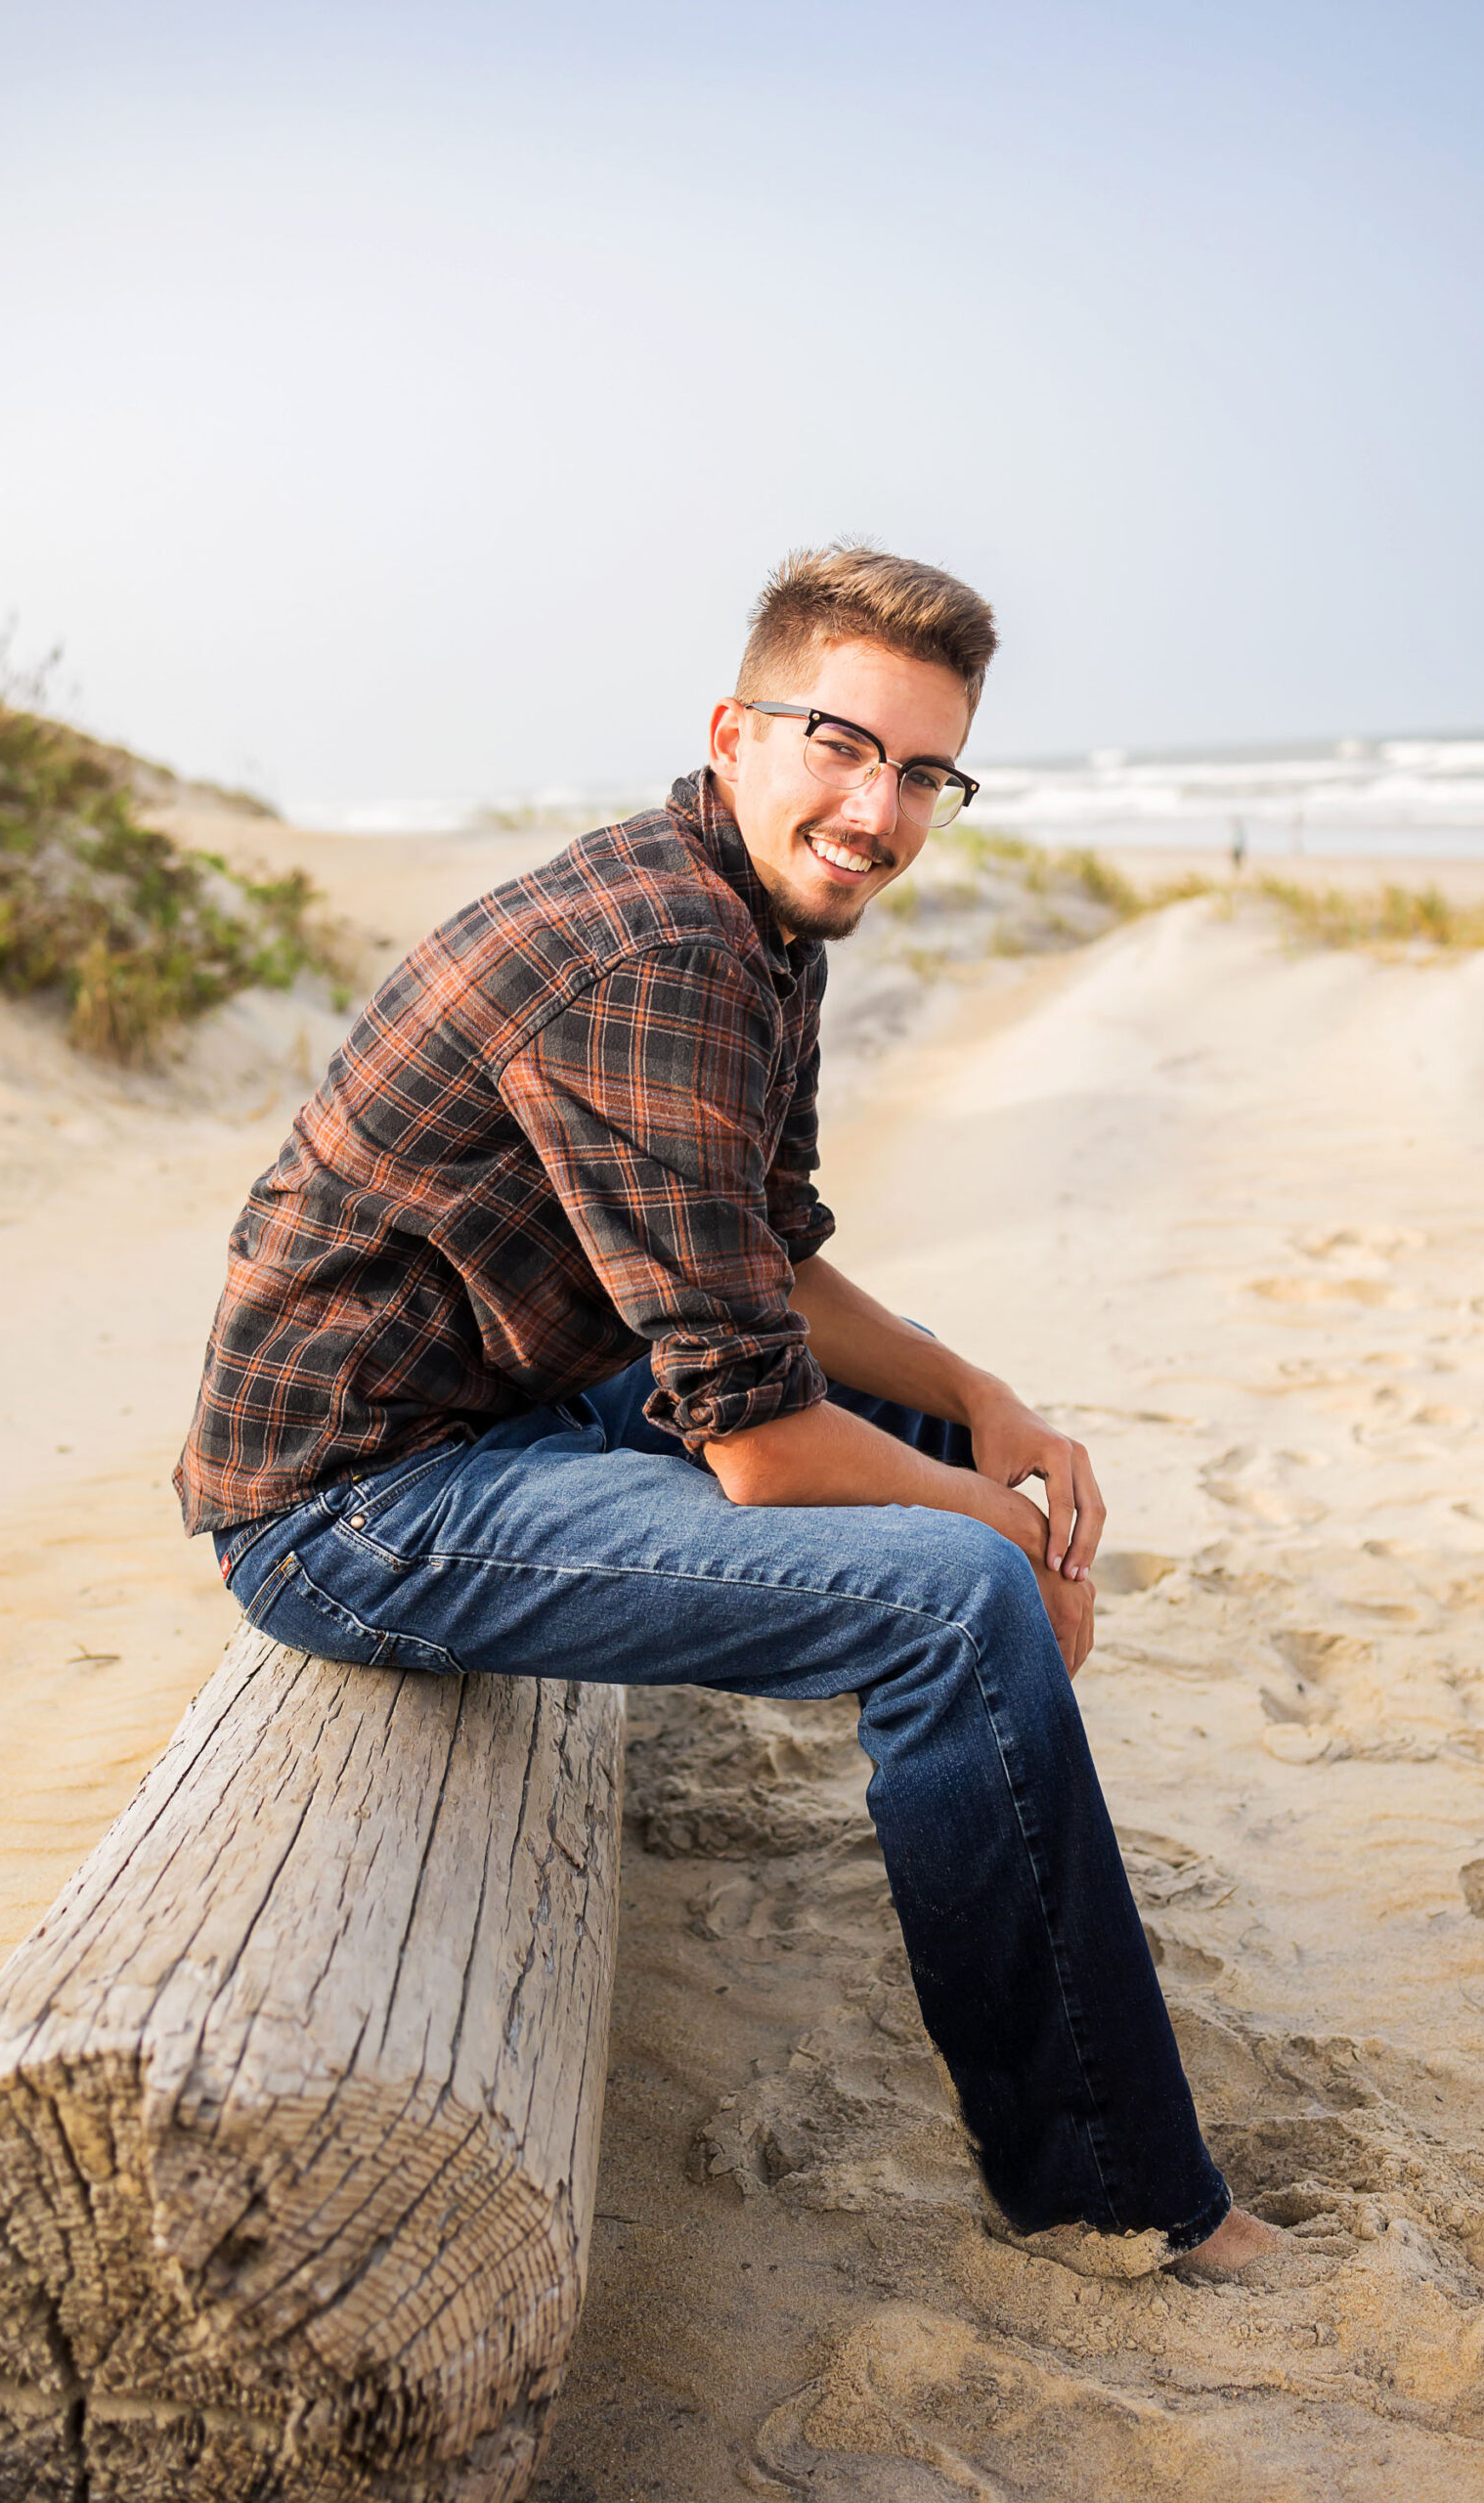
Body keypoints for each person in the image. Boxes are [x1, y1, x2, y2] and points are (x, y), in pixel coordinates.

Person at [176, 543, 1276, 2275]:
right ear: (736, 730)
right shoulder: (659, 955)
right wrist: (1012, 1538)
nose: (879, 810)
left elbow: (775, 1265)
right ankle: (1116, 2196)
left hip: (524, 1393)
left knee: (935, 1454)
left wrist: (990, 1408)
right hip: (355, 1503)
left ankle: (1018, 1902)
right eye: (841, 745)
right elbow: (760, 1448)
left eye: (924, 773)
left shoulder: (764, 913)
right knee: (962, 1598)